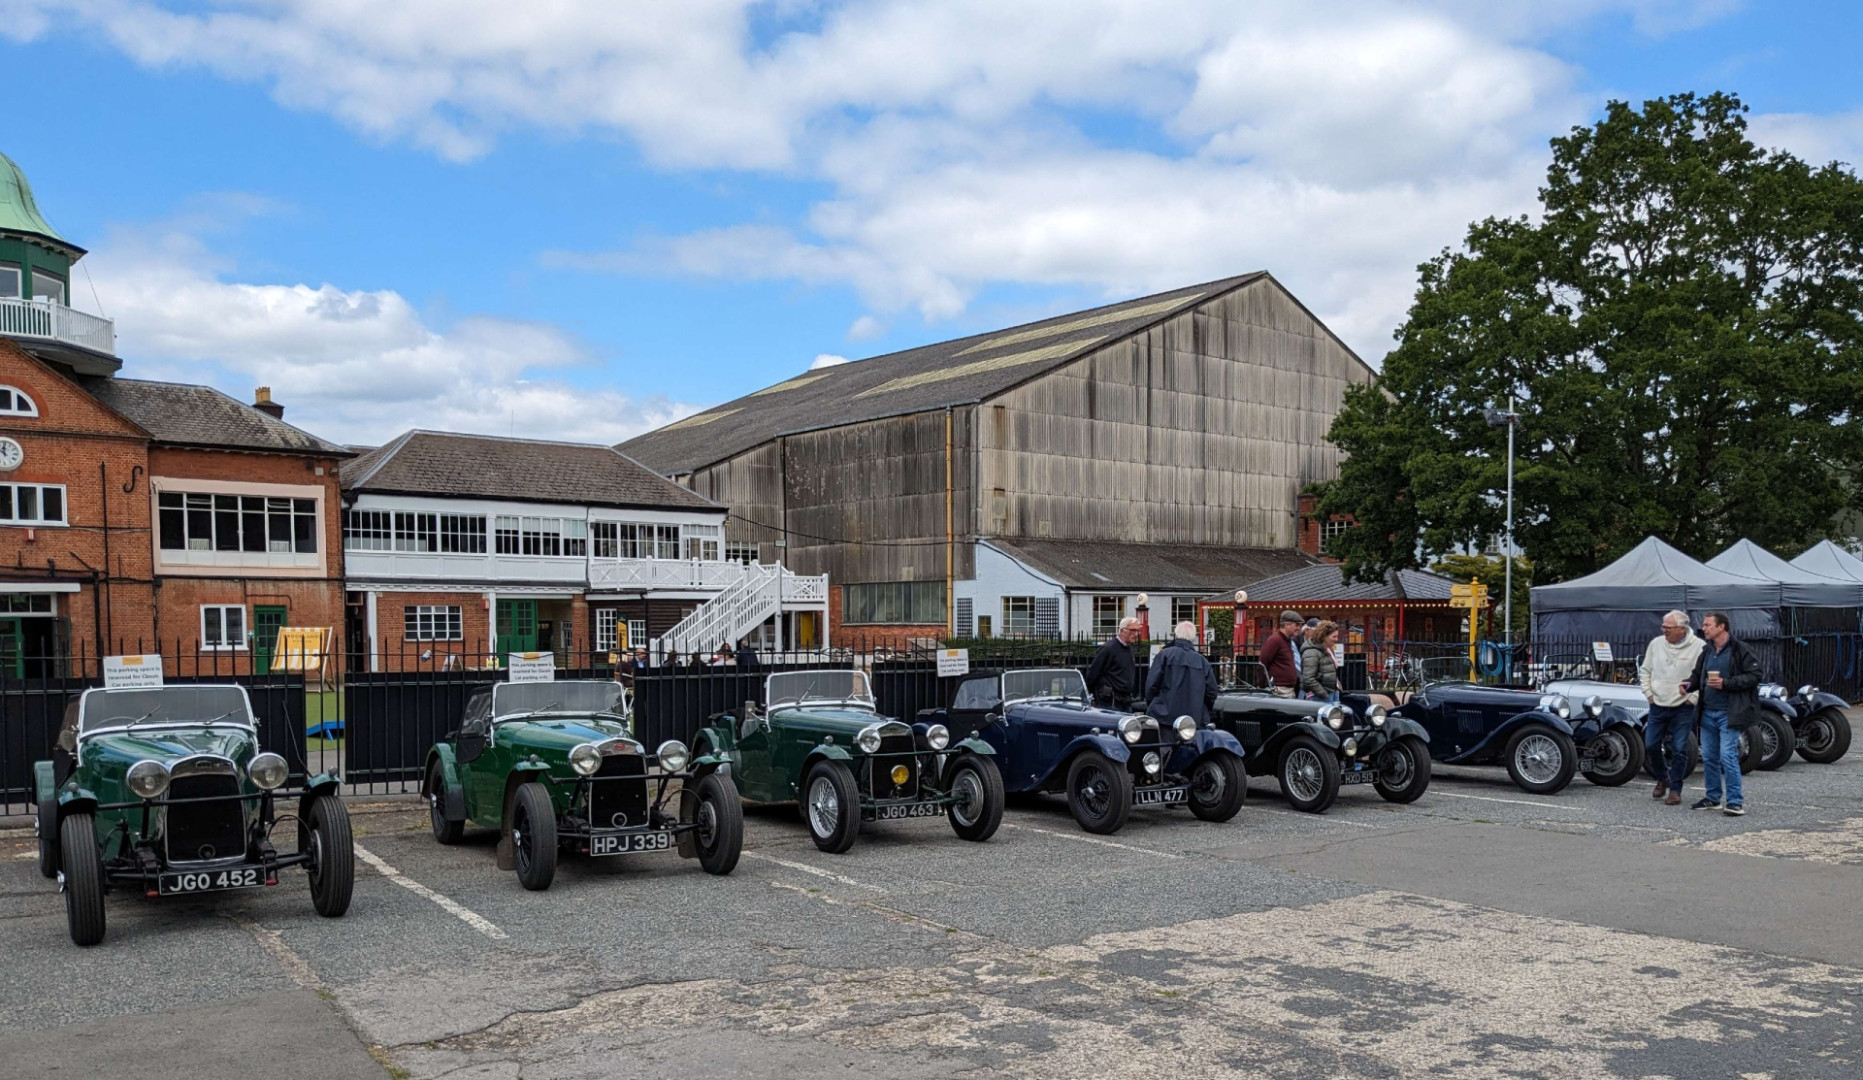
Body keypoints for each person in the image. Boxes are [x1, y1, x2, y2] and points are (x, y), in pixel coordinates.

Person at [1683, 611, 1762, 816]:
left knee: (1727, 755)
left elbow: (1755, 675)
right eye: (1704, 625)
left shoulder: (1740, 649)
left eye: (1708, 625)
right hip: (1707, 712)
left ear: (1722, 627)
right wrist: (1689, 685)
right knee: (1709, 756)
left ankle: (1735, 802)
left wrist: (1727, 683)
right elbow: (1697, 674)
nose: (1704, 628)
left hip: (1730, 712)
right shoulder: (1707, 651)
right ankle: (1713, 798)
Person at [1640, 610, 1703, 805]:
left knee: (1679, 747)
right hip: (1658, 704)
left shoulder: (1699, 647)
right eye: (1663, 627)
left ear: (1682, 629)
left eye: (1669, 627)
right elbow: (1645, 670)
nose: (1664, 630)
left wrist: (1692, 698)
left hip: (1682, 706)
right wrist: (1649, 694)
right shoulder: (1656, 644)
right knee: (1650, 744)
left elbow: (1703, 676)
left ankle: (1675, 789)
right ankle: (1662, 777)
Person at [1145, 621, 1219, 725]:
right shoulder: (1202, 661)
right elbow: (1211, 692)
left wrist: (1154, 705)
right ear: (1193, 637)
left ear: (1176, 634)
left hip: (1164, 717)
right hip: (1193, 719)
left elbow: (1151, 685)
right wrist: (1203, 709)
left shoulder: (1164, 655)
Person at [1086, 616, 1142, 710]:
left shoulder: (1129, 649)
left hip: (1125, 700)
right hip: (1110, 702)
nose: (1136, 634)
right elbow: (1093, 674)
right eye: (1132, 630)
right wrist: (1094, 696)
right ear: (1122, 630)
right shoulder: (1108, 649)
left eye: (1138, 631)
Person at [1257, 610, 1304, 697]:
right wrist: (1262, 687)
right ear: (1287, 624)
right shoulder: (1275, 640)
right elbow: (1262, 664)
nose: (1299, 628)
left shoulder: (1287, 640)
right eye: (1296, 625)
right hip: (1279, 690)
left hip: (1287, 689)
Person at [1300, 620, 1341, 702]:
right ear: (1324, 636)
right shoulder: (1311, 652)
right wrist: (1324, 694)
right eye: (1334, 636)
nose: (1337, 639)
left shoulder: (1328, 650)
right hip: (1318, 697)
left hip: (1331, 693)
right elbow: (1308, 679)